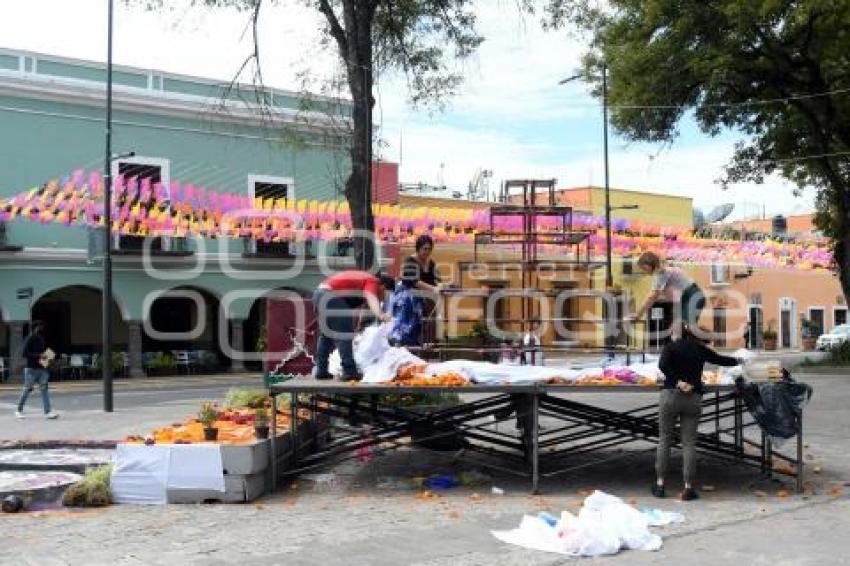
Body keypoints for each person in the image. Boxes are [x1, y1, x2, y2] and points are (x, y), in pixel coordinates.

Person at [654, 326, 742, 501]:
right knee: (689, 443)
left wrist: (678, 382)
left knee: (665, 439)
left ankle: (660, 484)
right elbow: (722, 360)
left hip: (670, 396)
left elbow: (662, 365)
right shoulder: (700, 349)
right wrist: (741, 360)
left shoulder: (671, 347)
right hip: (693, 398)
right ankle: (688, 487)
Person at [312, 270, 395, 381]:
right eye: (386, 296)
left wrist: (359, 325)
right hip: (330, 296)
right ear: (383, 287)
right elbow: (371, 298)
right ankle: (350, 372)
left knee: (327, 335)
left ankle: (321, 370)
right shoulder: (372, 281)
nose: (383, 299)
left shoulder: (363, 283)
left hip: (319, 295)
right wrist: (381, 315)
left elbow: (364, 305)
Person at [630, 251, 706, 334]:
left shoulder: (662, 273)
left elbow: (652, 297)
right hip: (687, 298)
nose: (644, 271)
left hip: (692, 296)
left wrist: (638, 314)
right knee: (679, 329)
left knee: (684, 328)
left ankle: (693, 345)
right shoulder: (663, 271)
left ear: (651, 264)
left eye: (644, 268)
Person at [401, 235, 441, 343]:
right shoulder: (410, 261)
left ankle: (429, 347)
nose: (427, 252)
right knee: (414, 326)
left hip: (428, 299)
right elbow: (415, 281)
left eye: (429, 249)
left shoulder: (431, 263)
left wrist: (440, 285)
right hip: (412, 300)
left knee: (430, 323)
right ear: (418, 248)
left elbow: (436, 279)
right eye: (425, 249)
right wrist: (433, 289)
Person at [15, 321, 59, 419]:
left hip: (42, 369)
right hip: (31, 369)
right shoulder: (30, 338)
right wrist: (39, 355)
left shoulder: (41, 338)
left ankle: (48, 412)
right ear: (36, 328)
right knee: (27, 390)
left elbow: (42, 352)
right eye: (41, 327)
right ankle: (18, 410)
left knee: (44, 390)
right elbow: (25, 354)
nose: (42, 329)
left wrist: (48, 359)